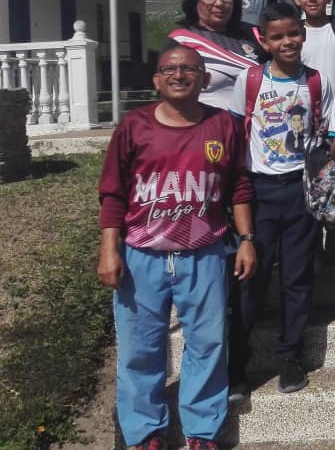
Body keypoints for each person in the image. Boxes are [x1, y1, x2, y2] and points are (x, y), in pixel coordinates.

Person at [97, 46, 256, 450]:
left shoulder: (223, 125)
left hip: (204, 254)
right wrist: (108, 250)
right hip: (141, 255)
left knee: (207, 344)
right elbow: (113, 193)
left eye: (189, 68)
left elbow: (239, 186)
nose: (179, 75)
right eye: (169, 69)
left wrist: (246, 240)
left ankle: (202, 432)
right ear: (156, 79)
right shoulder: (133, 127)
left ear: (205, 78)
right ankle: (145, 433)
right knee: (140, 348)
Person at [228, 2, 335, 397]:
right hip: (258, 192)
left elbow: (330, 136)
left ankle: (289, 356)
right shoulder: (249, 80)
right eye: (277, 36)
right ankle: (237, 362)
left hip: (301, 191)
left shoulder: (317, 81)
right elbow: (235, 134)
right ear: (264, 41)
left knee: (297, 277)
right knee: (251, 278)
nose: (287, 42)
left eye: (293, 33)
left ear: (303, 34)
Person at [166, 0, 263, 108]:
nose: (219, 3)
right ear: (195, 0)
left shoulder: (252, 35)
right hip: (204, 121)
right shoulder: (180, 41)